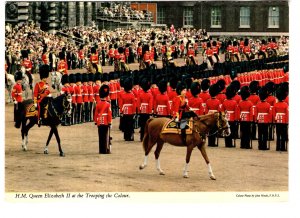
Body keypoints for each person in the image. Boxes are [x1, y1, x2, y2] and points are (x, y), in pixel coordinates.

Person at [94, 84, 112, 154]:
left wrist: (96, 121)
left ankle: (101, 150)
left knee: (100, 136)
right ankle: (105, 150)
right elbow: (109, 114)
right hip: (105, 121)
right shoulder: (108, 104)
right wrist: (110, 122)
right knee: (105, 136)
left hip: (99, 122)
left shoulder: (98, 103)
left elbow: (96, 113)